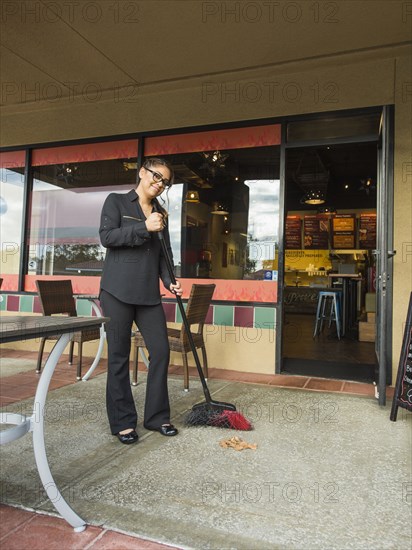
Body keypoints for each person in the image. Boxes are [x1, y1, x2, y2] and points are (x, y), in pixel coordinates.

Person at [99, 157, 182, 444]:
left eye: (165, 182)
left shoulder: (161, 214)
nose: (160, 184)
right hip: (117, 292)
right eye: (156, 177)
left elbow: (164, 253)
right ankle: (123, 421)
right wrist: (143, 227)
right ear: (142, 173)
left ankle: (157, 417)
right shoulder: (117, 202)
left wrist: (169, 279)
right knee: (119, 357)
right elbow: (107, 237)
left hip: (148, 295)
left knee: (160, 352)